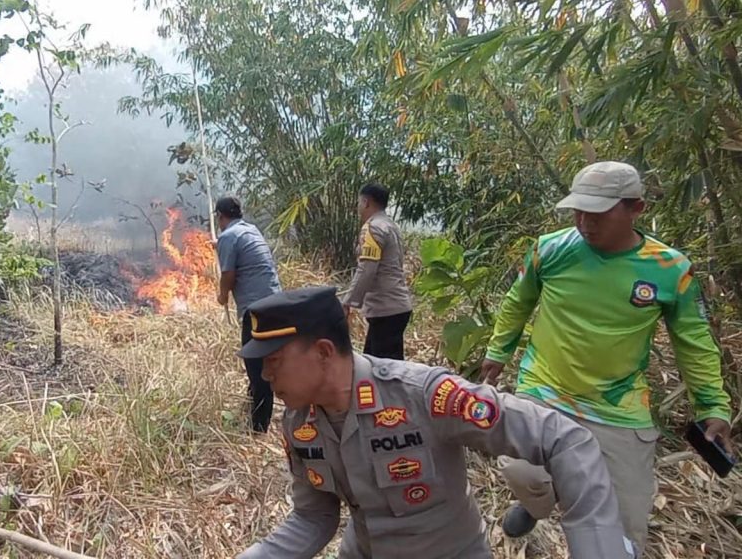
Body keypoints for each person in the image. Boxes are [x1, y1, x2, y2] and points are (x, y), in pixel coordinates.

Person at [236, 285, 635, 559]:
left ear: (323, 352)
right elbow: (315, 516)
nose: (266, 376)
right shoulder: (299, 422)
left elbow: (562, 439)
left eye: (274, 361)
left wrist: (596, 543)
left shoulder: (424, 395)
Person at [480, 161, 734, 554]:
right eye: (578, 211)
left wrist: (712, 405)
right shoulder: (550, 250)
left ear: (636, 209)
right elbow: (518, 301)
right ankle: (538, 503)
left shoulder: (671, 270)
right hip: (544, 390)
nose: (585, 222)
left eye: (597, 213)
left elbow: (694, 341)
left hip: (619, 406)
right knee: (519, 468)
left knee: (625, 533)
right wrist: (498, 351)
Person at [215, 196, 282, 433]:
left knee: (257, 365)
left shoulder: (228, 236)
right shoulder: (250, 230)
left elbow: (228, 275)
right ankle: (256, 410)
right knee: (267, 360)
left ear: (220, 217)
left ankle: (259, 428)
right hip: (275, 302)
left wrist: (222, 295)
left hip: (257, 309)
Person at [341, 183, 413, 360]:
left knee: (385, 369)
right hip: (396, 306)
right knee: (374, 362)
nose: (358, 207)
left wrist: (348, 302)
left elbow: (367, 269)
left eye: (359, 202)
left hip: (386, 308)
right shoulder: (390, 225)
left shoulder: (372, 228)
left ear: (365, 202)